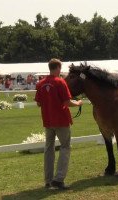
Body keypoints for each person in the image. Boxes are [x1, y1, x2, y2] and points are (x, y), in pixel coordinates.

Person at [35, 58, 83, 190]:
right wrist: (78, 103)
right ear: (57, 68)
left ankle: (48, 180)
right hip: (61, 121)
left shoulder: (40, 84)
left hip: (48, 121)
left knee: (48, 149)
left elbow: (38, 103)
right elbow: (67, 103)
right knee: (65, 147)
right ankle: (59, 179)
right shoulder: (60, 82)